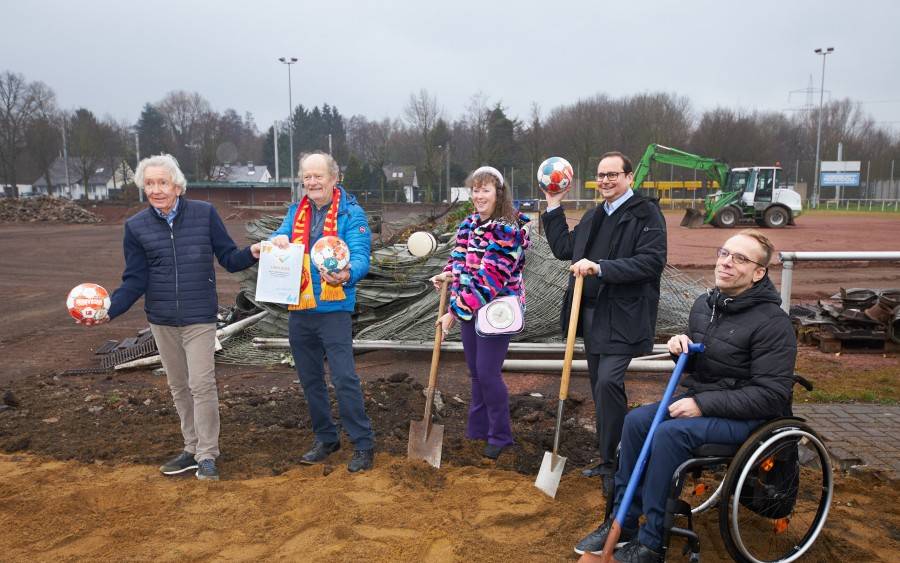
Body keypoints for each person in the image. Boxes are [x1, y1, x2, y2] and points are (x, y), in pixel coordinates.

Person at [574, 230, 797, 562]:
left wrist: (702, 404)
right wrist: (682, 350)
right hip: (707, 401)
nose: (726, 262)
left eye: (740, 259)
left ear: (759, 272)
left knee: (669, 434)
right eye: (725, 253)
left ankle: (651, 543)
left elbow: (771, 395)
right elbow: (703, 365)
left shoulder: (773, 324)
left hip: (750, 419)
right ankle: (624, 522)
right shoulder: (705, 305)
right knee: (635, 422)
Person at [81, 153, 261, 481]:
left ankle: (208, 454)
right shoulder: (135, 227)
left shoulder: (204, 215)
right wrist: (110, 309)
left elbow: (229, 258)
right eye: (149, 184)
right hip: (162, 319)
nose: (156, 189)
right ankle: (191, 448)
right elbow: (134, 279)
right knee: (179, 386)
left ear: (177, 185)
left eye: (162, 182)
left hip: (199, 317)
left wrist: (252, 252)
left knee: (202, 384)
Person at [542, 151, 666, 489]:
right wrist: (553, 205)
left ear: (629, 178)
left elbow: (651, 262)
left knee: (609, 382)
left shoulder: (646, 214)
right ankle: (610, 457)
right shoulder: (595, 215)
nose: (606, 180)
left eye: (613, 174)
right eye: (601, 175)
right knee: (601, 388)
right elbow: (565, 248)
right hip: (593, 316)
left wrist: (602, 268)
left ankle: (618, 457)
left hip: (624, 316)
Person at [270, 152, 375, 472]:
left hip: (334, 308)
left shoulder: (352, 215)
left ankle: (363, 443)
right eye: (307, 177)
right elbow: (283, 235)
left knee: (344, 377)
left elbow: (360, 256)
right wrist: (275, 243)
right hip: (300, 307)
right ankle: (326, 438)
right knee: (310, 379)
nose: (312, 182)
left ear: (334, 178)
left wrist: (347, 274)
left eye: (319, 176)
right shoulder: (295, 211)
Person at [430, 166, 530, 459]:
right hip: (470, 306)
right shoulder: (469, 224)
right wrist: (446, 274)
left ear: (498, 193)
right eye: (475, 189)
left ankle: (500, 436)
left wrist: (453, 312)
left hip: (497, 309)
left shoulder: (507, 229)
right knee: (475, 372)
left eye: (485, 189)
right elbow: (459, 258)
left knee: (487, 372)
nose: (478, 195)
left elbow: (490, 280)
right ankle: (477, 430)